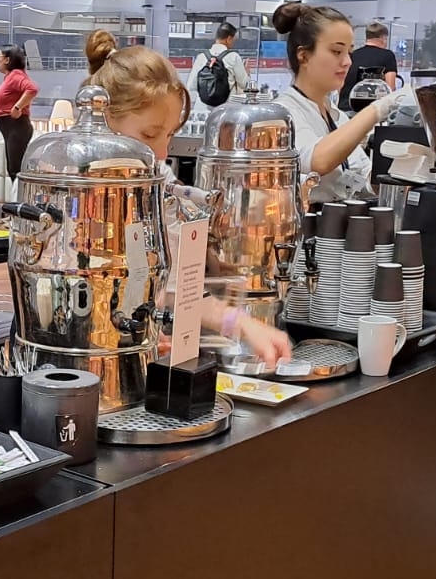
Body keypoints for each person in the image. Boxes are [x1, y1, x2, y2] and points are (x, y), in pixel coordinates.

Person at [86, 42, 293, 367]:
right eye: (150, 134)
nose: (163, 152)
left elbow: (180, 289)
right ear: (105, 119)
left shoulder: (159, 179)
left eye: (169, 135)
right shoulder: (72, 180)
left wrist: (242, 324)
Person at [269, 2, 407, 202]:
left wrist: (403, 167)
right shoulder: (282, 114)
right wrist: (377, 109)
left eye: (349, 52)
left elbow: (362, 178)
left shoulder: (337, 117)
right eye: (336, 51)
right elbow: (318, 161)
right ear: (303, 56)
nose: (348, 61)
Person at [0, 45, 39, 177]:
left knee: (15, 170)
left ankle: (20, 191)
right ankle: (18, 190)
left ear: (7, 60)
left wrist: (17, 107)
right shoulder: (10, 77)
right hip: (11, 128)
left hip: (16, 127)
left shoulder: (15, 75)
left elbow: (32, 89)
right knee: (13, 168)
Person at [336, 20, 399, 110]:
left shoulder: (352, 55)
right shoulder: (388, 55)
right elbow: (390, 87)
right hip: (370, 110)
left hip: (345, 106)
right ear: (383, 38)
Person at [188, 22, 250, 110]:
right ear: (228, 39)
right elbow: (245, 84)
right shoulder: (233, 57)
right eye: (233, 40)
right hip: (225, 110)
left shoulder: (201, 57)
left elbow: (191, 85)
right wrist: (247, 73)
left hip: (202, 109)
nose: (233, 43)